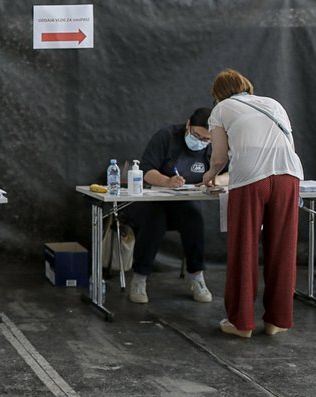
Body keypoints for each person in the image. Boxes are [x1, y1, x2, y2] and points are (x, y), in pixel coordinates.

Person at [203, 69, 304, 338]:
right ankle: (277, 321)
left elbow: (219, 157)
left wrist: (211, 176)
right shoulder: (273, 104)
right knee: (283, 249)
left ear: (218, 94)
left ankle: (241, 322)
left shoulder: (222, 109)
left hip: (249, 180)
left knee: (244, 247)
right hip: (288, 177)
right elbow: (289, 146)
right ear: (246, 86)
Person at [124, 108, 228, 304]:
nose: (201, 141)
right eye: (197, 135)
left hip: (185, 202)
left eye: (206, 139)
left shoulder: (215, 144)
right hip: (154, 201)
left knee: (194, 220)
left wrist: (219, 180)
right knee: (154, 222)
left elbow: (231, 172)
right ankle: (140, 278)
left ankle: (196, 277)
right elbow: (146, 170)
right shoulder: (167, 137)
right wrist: (166, 181)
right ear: (188, 124)